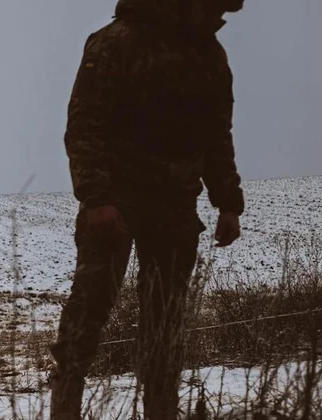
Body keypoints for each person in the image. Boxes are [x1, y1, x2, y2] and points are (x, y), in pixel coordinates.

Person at [50, 0, 246, 418]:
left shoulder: (207, 54)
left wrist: (228, 202)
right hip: (117, 202)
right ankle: (64, 411)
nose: (220, 15)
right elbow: (85, 126)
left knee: (166, 326)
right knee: (88, 314)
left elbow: (216, 135)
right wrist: (98, 200)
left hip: (176, 205)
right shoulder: (116, 42)